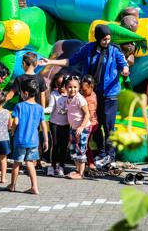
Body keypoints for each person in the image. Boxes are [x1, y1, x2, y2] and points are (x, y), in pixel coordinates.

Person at [40, 24, 129, 165]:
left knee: (108, 125)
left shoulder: (114, 50)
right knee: (95, 123)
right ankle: (101, 153)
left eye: (108, 39)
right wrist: (50, 61)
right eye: (104, 39)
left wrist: (124, 69)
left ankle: (111, 156)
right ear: (98, 38)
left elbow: (122, 63)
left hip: (109, 94)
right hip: (91, 93)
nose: (107, 41)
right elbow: (71, 60)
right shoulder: (88, 48)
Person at [7, 79, 49, 194]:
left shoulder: (19, 106)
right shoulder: (40, 108)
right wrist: (46, 140)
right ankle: (34, 187)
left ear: (25, 93)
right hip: (34, 141)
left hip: (20, 140)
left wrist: (12, 131)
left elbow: (15, 122)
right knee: (30, 163)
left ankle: (12, 185)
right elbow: (44, 125)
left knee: (17, 163)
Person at [65, 75, 91, 180]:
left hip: (82, 129)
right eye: (70, 87)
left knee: (81, 149)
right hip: (73, 128)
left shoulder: (80, 99)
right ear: (66, 88)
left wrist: (81, 127)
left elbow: (87, 114)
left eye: (75, 87)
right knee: (73, 149)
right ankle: (77, 170)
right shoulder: (69, 98)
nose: (72, 89)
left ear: (79, 88)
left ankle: (81, 173)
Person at [44, 72, 69, 177]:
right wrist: (41, 110)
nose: (61, 87)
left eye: (63, 85)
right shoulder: (54, 94)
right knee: (55, 145)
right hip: (54, 123)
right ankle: (53, 165)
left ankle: (61, 166)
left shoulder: (70, 94)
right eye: (58, 85)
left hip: (66, 124)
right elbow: (50, 108)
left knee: (64, 146)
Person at [81, 74, 98, 170]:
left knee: (85, 144)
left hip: (91, 124)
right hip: (90, 123)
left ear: (91, 86)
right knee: (85, 143)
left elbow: (90, 114)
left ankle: (91, 163)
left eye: (84, 90)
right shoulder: (91, 93)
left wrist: (82, 125)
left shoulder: (90, 99)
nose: (82, 92)